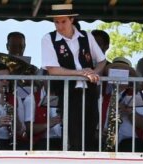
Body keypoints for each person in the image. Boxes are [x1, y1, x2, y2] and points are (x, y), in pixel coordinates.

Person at [41, 3, 107, 152]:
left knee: (91, 129)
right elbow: (52, 70)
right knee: (74, 133)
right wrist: (81, 73)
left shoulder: (86, 36)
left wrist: (94, 73)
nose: (59, 25)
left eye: (63, 21)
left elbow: (102, 60)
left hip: (90, 91)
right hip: (68, 92)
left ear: (72, 20)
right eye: (56, 22)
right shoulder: (49, 39)